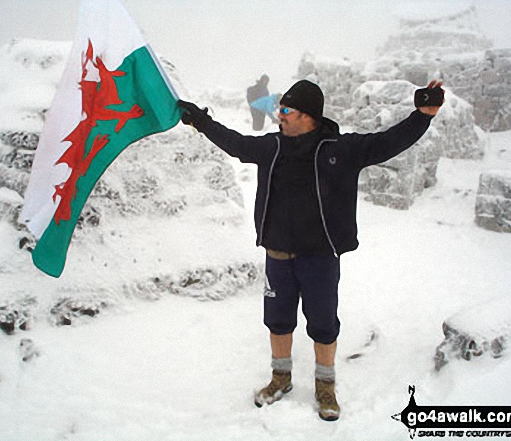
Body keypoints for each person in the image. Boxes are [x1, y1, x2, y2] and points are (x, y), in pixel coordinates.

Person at [177, 79, 444, 421]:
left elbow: (388, 142)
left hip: (320, 258)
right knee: (278, 321)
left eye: (286, 111)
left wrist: (422, 115)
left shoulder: (339, 149)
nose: (279, 117)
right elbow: (235, 143)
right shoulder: (272, 147)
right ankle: (281, 378)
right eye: (280, 110)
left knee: (322, 324)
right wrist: (199, 119)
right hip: (277, 256)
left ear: (308, 116)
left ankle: (325, 385)